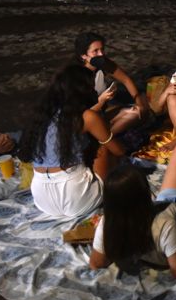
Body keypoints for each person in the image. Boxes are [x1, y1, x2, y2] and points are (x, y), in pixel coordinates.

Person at [89, 138, 176, 281]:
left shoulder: (109, 222)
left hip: (166, 203)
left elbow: (97, 263)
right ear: (145, 195)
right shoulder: (165, 224)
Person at [16, 65, 126, 219]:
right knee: (103, 148)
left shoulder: (40, 114)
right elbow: (118, 151)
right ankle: (110, 188)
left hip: (42, 199)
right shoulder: (87, 117)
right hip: (76, 198)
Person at [74, 32, 151, 135]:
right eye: (95, 51)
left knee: (136, 111)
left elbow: (126, 80)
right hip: (83, 123)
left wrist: (139, 103)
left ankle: (106, 135)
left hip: (100, 114)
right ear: (83, 55)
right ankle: (105, 142)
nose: (101, 54)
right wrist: (101, 101)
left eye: (102, 49)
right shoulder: (76, 76)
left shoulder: (104, 63)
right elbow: (82, 116)